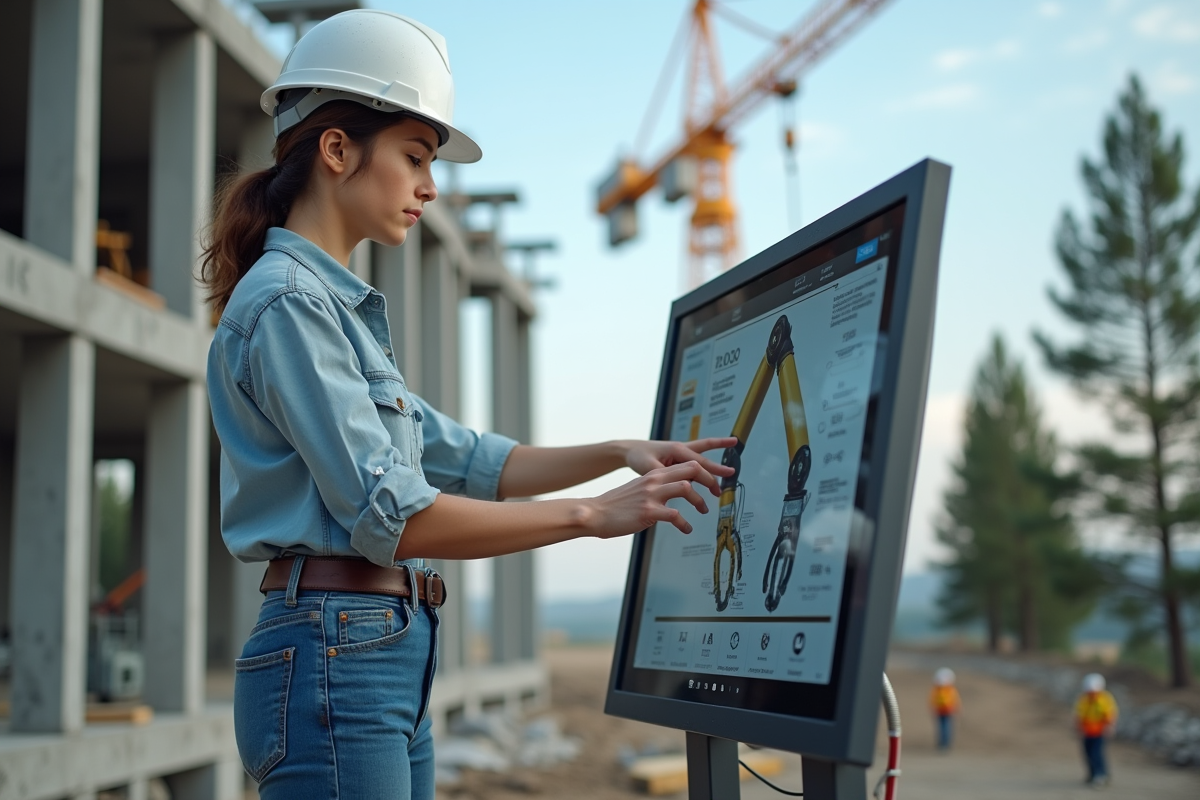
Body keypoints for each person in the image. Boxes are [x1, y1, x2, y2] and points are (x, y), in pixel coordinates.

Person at [201, 10, 735, 799]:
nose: (430, 185)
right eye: (415, 156)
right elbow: (394, 515)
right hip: (335, 654)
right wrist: (593, 514)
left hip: (376, 650)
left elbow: (475, 460)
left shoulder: (332, 312)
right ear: (337, 150)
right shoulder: (289, 305)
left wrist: (622, 451)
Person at [1075, 672, 1118, 787]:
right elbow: (1079, 716)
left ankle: (1101, 775)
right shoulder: (1084, 700)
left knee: (1096, 754)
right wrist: (1079, 729)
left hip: (1100, 732)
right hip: (1088, 732)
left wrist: (1110, 727)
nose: (1092, 695)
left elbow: (1110, 715)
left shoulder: (1105, 699)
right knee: (1088, 753)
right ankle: (1092, 774)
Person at [928, 667, 961, 751]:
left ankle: (945, 744)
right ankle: (943, 743)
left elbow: (954, 699)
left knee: (945, 727)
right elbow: (933, 699)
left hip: (947, 710)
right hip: (941, 711)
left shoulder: (948, 690)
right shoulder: (940, 690)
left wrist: (956, 708)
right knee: (943, 727)